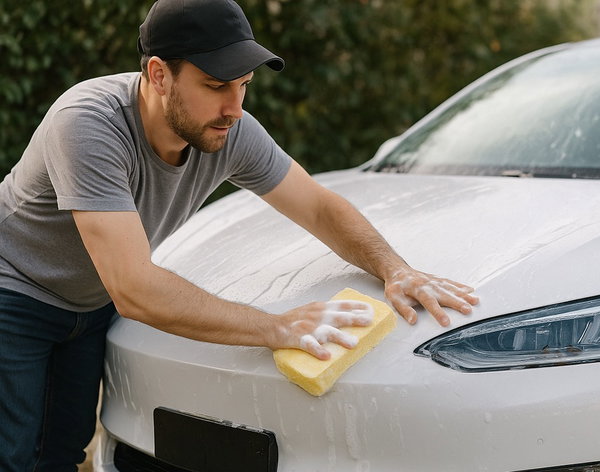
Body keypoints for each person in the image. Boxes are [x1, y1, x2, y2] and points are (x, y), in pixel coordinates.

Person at [0, 0, 479, 469]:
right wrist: (277, 327)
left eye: (244, 86)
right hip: (15, 291)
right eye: (215, 85)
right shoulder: (88, 124)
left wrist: (394, 268)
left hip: (88, 304)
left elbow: (317, 206)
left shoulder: (228, 130)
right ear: (159, 74)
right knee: (12, 454)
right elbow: (135, 288)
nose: (234, 107)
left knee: (62, 453)